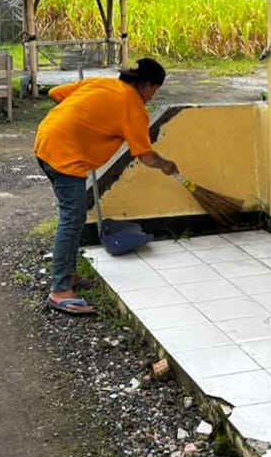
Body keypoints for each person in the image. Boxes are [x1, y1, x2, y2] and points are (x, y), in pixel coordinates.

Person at [33, 57, 179, 315]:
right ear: (146, 85)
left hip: (46, 140)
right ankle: (60, 290)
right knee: (72, 218)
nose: (153, 96)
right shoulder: (133, 106)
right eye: (155, 90)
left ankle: (68, 273)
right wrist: (166, 164)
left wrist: (85, 120)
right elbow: (145, 156)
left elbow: (57, 94)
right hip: (65, 157)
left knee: (73, 217)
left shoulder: (100, 83)